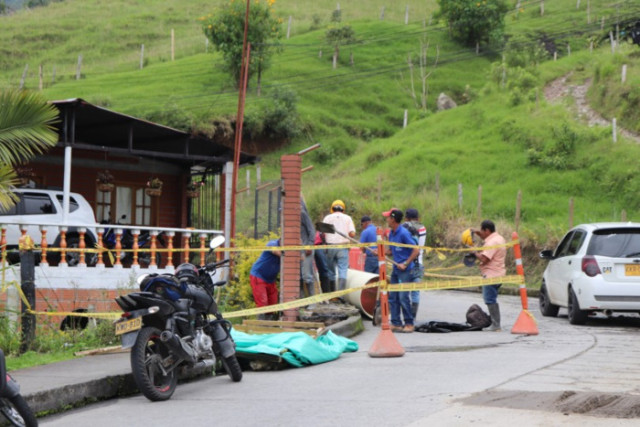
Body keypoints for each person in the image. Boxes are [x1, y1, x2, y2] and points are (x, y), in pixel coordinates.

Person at [383, 208, 419, 333]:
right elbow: (392, 251)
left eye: (388, 217)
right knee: (393, 297)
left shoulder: (403, 233)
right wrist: (382, 252)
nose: (386, 219)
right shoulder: (391, 233)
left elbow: (416, 250)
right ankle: (396, 323)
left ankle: (409, 323)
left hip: (405, 270)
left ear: (393, 219)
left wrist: (405, 263)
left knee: (403, 297)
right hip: (395, 269)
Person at [471, 220, 506, 332]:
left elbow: (484, 259)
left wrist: (474, 252)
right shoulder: (499, 238)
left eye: (482, 230)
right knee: (491, 298)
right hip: (499, 273)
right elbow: (486, 239)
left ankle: (496, 325)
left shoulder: (492, 243)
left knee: (489, 299)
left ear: (487, 230)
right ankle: (495, 323)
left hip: (491, 275)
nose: (481, 233)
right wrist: (477, 232)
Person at [322, 200, 356, 292]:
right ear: (343, 209)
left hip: (330, 247)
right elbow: (352, 234)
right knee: (343, 270)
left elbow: (322, 234)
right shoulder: (348, 218)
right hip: (343, 247)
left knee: (330, 271)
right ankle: (340, 294)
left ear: (332, 209)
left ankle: (332, 294)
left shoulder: (327, 218)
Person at [403, 208, 427, 319]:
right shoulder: (422, 228)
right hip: (419, 263)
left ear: (406, 217)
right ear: (418, 218)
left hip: (407, 263)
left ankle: (406, 317)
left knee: (404, 292)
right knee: (415, 292)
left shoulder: (404, 227)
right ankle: (413, 317)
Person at [249, 238, 281, 320]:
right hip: (258, 276)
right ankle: (260, 325)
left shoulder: (284, 250)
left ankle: (267, 325)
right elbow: (275, 251)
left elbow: (301, 258)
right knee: (262, 303)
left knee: (273, 303)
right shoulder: (272, 243)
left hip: (270, 280)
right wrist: (291, 253)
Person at [300, 198, 316, 297]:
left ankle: (312, 301)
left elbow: (312, 231)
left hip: (306, 250)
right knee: (299, 277)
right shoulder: (287, 217)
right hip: (297, 251)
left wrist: (309, 245)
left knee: (307, 276)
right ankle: (301, 302)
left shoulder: (302, 214)